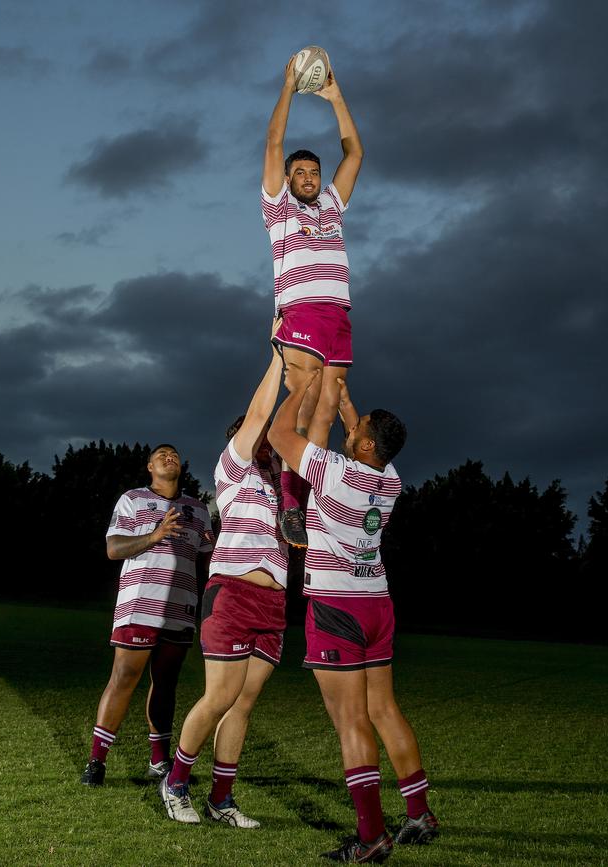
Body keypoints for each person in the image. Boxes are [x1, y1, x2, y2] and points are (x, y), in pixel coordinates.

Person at [268, 376, 438, 862]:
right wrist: (345, 404)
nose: (353, 424)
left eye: (358, 425)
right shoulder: (390, 481)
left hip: (337, 606)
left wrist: (302, 389)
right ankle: (420, 814)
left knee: (351, 721)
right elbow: (362, 434)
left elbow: (281, 437)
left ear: (364, 443)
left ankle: (371, 836)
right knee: (385, 710)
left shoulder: (334, 472)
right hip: (376, 604)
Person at [159, 331, 288, 829]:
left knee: (244, 703)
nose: (265, 446)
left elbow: (294, 428)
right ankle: (175, 784)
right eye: (259, 440)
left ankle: (222, 799)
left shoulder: (281, 491)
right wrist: (279, 358)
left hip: (272, 606)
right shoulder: (233, 468)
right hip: (232, 593)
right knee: (218, 697)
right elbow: (260, 416)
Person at [262, 54, 363, 547]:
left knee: (326, 409)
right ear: (287, 177)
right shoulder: (277, 205)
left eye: (312, 171)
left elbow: (356, 154)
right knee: (301, 403)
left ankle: (310, 494)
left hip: (338, 313)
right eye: (299, 171)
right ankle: (290, 504)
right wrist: (288, 87)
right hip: (300, 311)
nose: (307, 176)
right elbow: (274, 141)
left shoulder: (330, 206)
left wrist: (335, 96)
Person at [81, 444, 214, 787]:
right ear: (149, 466)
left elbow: (207, 562)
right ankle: (97, 761)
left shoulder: (198, 510)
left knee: (166, 684)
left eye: (174, 454)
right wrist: (155, 535)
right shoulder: (133, 499)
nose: (169, 457)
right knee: (124, 678)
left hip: (181, 607)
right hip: (140, 605)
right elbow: (114, 549)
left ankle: (159, 762)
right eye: (161, 455)